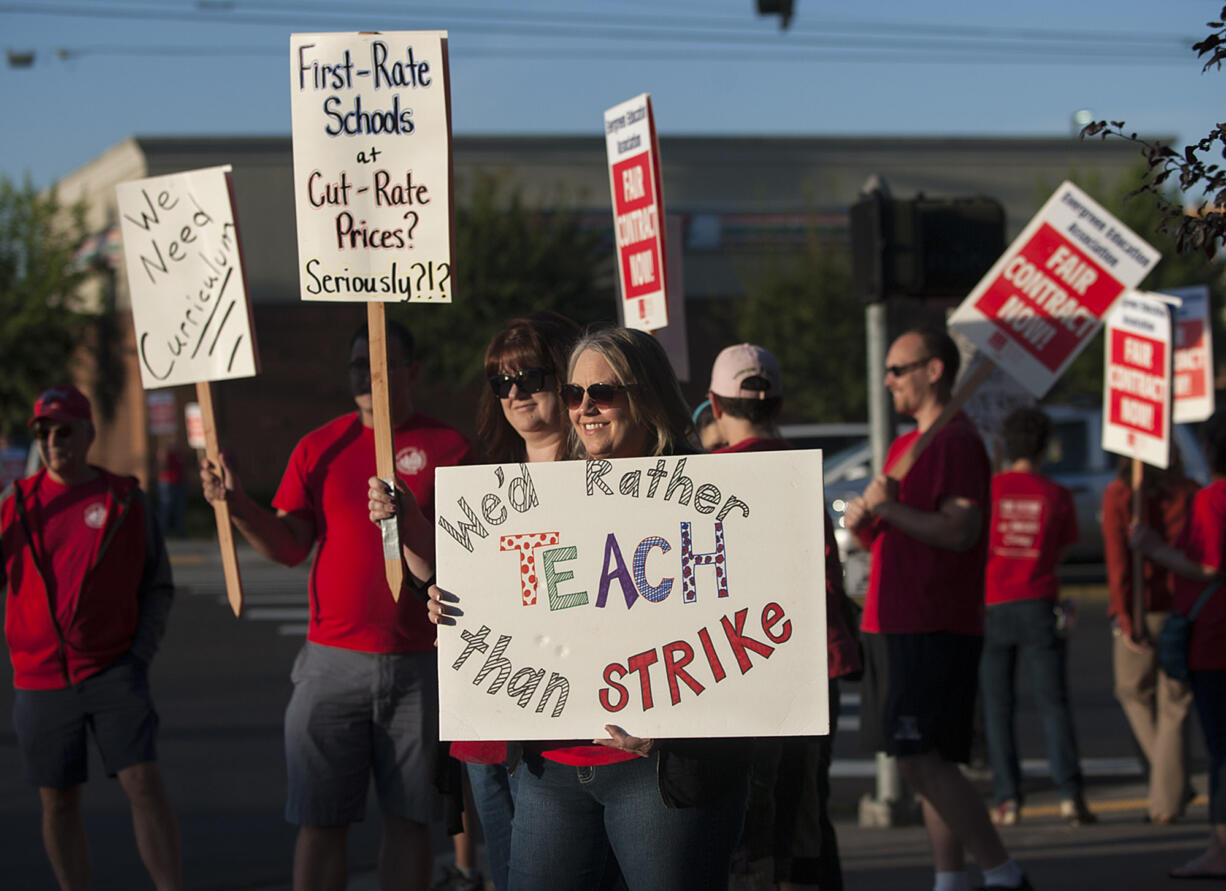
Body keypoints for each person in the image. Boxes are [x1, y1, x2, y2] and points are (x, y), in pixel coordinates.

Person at [429, 327, 751, 891]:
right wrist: (457, 611)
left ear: (646, 394)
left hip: (658, 772)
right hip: (550, 765)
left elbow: (753, 646)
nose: (582, 409)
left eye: (601, 392)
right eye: (574, 394)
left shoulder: (716, 500)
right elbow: (522, 610)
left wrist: (680, 726)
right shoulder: (550, 497)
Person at [201, 322, 472, 891]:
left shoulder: (451, 448)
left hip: (421, 665)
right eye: (356, 365)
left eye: (378, 362)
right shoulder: (319, 446)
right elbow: (290, 546)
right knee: (319, 822)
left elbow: (473, 554)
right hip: (331, 666)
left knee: (410, 822)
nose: (366, 375)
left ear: (411, 372)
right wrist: (237, 505)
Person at [372, 312, 582, 891]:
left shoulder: (604, 475)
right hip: (489, 718)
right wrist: (407, 521)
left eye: (530, 377)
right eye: (501, 382)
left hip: (569, 727)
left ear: (564, 379)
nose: (515, 393)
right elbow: (441, 576)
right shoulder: (486, 476)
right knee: (514, 871)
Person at [844, 328, 1030, 891]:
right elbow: (894, 539)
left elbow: (959, 527)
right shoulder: (908, 447)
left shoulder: (956, 442)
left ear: (934, 371)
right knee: (922, 761)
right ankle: (950, 877)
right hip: (894, 618)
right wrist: (866, 524)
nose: (888, 380)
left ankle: (1001, 871)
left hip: (931, 621)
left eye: (898, 369)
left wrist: (892, 512)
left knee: (925, 758)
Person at [0, 384, 181, 891]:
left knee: (143, 781)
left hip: (112, 670)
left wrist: (138, 655)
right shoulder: (16, 506)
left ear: (88, 434)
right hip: (39, 679)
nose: (53, 441)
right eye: (43, 432)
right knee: (57, 798)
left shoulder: (123, 498)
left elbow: (157, 584)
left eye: (63, 430)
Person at [705, 343, 861, 891]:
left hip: (752, 665)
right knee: (807, 822)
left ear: (714, 405)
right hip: (818, 659)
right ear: (779, 405)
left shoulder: (706, 475)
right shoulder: (800, 465)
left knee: (757, 827)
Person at [979, 406, 1094, 828]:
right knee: (1053, 704)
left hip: (993, 603)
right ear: (1045, 447)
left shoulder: (990, 490)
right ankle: (1070, 794)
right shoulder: (1057, 495)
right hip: (1039, 601)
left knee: (998, 708)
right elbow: (1062, 551)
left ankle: (1008, 798)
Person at [1131, 412, 1226, 879]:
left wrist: (1154, 548)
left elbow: (1208, 566)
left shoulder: (1212, 500)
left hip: (1215, 637)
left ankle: (1220, 849)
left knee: (1221, 751)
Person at [1102, 457, 1198, 824]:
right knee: (1174, 702)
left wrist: (1124, 615)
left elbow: (1117, 561)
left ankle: (1165, 790)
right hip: (1181, 603)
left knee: (1135, 693)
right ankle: (1169, 787)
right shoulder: (1188, 491)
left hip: (1144, 607)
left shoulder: (1120, 493)